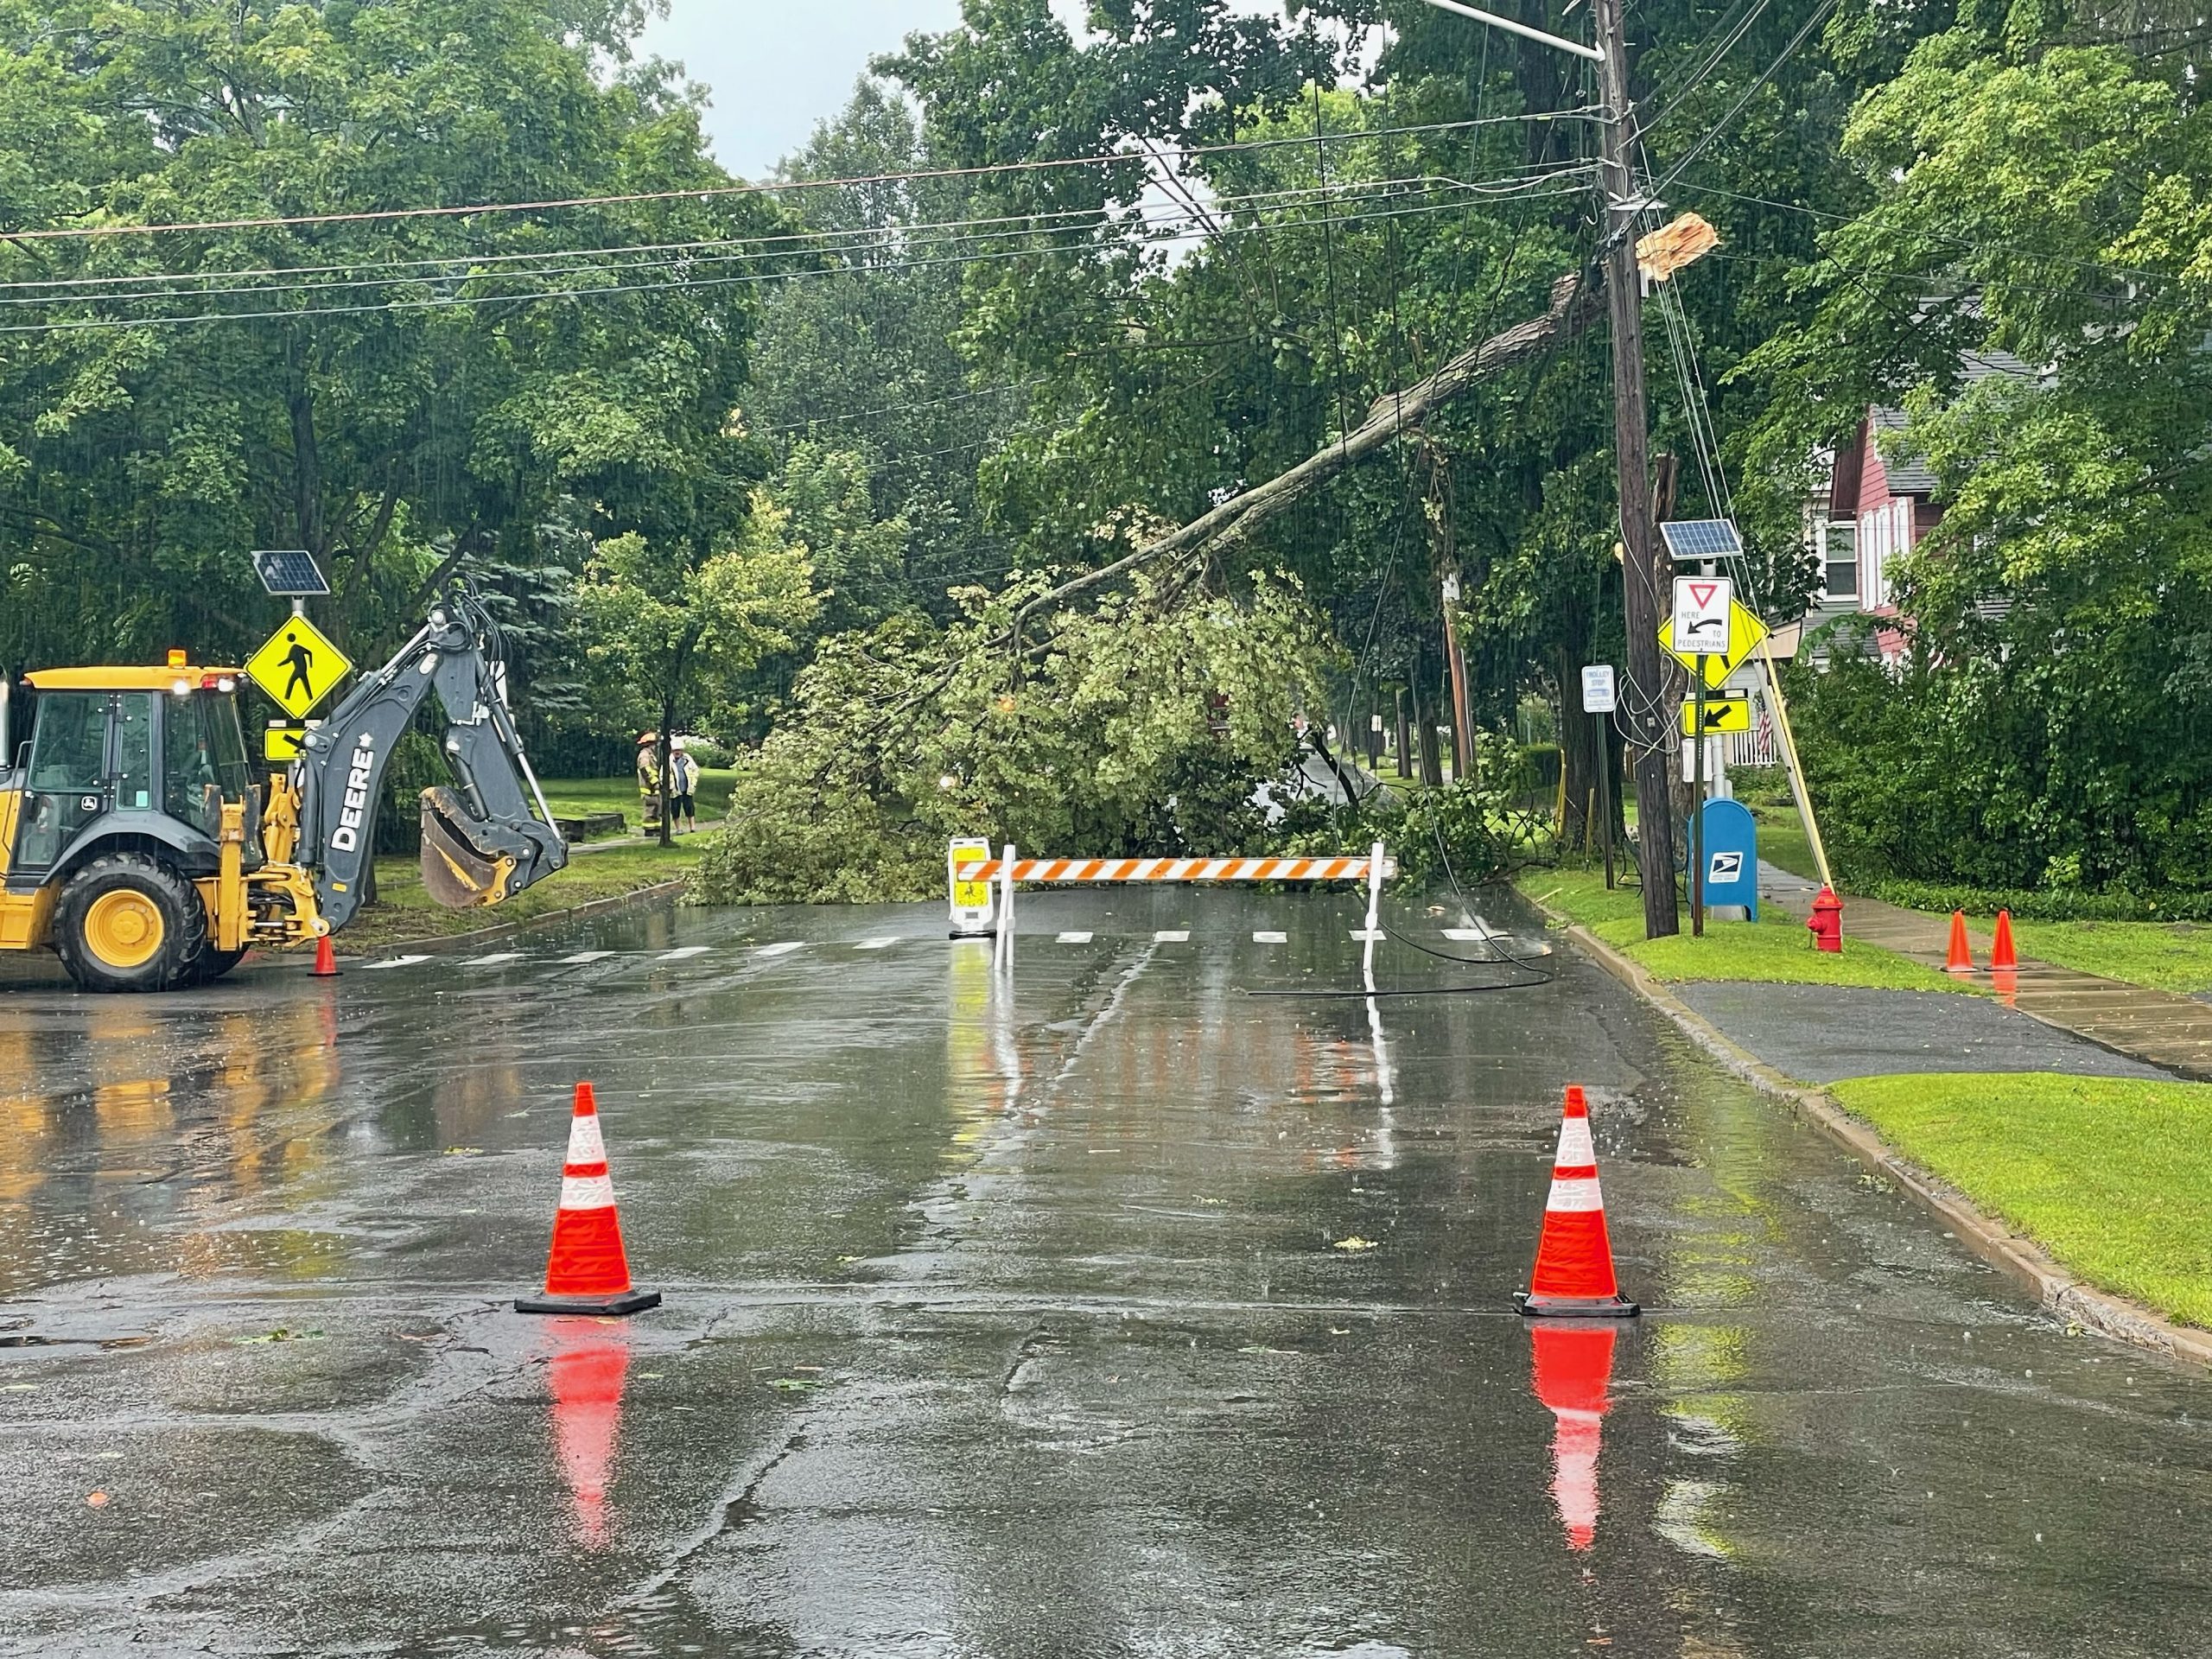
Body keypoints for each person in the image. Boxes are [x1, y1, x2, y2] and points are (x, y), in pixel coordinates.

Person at [669, 736, 700, 835]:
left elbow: (696, 770)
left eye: (679, 750)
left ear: (682, 751)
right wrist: (669, 786)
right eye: (675, 750)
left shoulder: (687, 759)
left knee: (689, 808)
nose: (677, 752)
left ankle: (692, 827)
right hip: (675, 789)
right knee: (675, 809)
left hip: (687, 788)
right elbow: (663, 775)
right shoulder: (669, 760)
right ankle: (678, 829)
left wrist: (693, 783)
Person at [635, 733, 662, 832]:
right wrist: (655, 782)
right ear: (650, 744)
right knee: (650, 810)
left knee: (656, 809)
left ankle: (656, 829)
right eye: (655, 744)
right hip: (648, 788)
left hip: (652, 788)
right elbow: (645, 769)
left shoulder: (649, 755)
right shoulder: (644, 755)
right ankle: (649, 831)